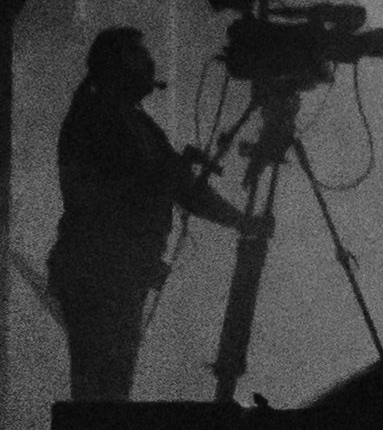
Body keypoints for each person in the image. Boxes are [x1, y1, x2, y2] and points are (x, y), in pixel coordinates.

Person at [45, 27, 255, 410]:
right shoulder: (97, 120)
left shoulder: (131, 121)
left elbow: (179, 187)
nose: (148, 65)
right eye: (138, 57)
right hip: (99, 274)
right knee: (102, 390)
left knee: (111, 386)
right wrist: (234, 216)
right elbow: (110, 193)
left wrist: (239, 219)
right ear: (118, 67)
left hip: (118, 275)